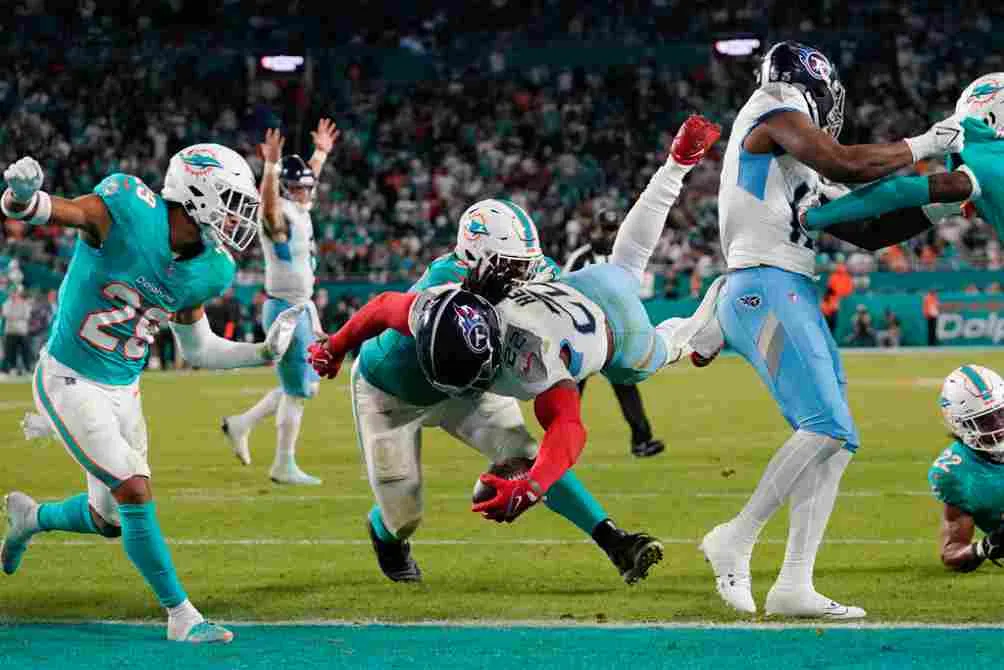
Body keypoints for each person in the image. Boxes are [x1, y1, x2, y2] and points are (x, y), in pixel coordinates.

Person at [307, 116, 723, 579]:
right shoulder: (445, 292)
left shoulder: (530, 286)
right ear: (474, 258)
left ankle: (612, 540)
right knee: (403, 513)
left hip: (474, 383)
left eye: (526, 263)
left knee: (528, 459)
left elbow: (563, 412)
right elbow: (385, 307)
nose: (525, 274)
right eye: (510, 265)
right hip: (392, 394)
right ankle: (385, 535)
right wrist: (336, 346)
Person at [698, 41, 964, 619]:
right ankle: (736, 537)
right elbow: (848, 163)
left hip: (788, 286)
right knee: (825, 426)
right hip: (761, 284)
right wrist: (923, 145)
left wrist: (943, 200)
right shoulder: (774, 103)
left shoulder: (792, 160)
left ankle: (795, 582)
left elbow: (867, 230)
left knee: (836, 443)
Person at [0, 147, 304, 643]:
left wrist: (264, 351)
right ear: (196, 192)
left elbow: (199, 349)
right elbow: (56, 211)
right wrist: (20, 197)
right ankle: (182, 616)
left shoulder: (209, 268)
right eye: (228, 200)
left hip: (126, 387)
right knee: (134, 486)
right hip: (69, 377)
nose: (236, 215)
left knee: (108, 519)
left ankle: (29, 519)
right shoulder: (126, 207)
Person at [221, 120, 338, 485]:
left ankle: (242, 424)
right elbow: (269, 209)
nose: (308, 193)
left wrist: (320, 153)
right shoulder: (278, 212)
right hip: (287, 309)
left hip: (299, 307)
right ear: (288, 189)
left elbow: (307, 183)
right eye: (301, 188)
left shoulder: (298, 206)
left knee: (305, 385)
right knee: (298, 391)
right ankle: (283, 464)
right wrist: (269, 168)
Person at [563, 208, 666, 458]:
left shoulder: (623, 258)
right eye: (606, 230)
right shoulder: (580, 258)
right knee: (572, 392)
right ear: (594, 230)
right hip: (585, 335)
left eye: (613, 230)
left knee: (626, 385)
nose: (610, 235)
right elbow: (563, 291)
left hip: (617, 336)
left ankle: (642, 441)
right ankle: (560, 446)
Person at [928, 365, 1004, 572]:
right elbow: (952, 552)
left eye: (1002, 413)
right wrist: (985, 547)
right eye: (987, 421)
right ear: (961, 425)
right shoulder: (954, 473)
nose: (1000, 426)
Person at [1, 286, 32, 375]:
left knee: (25, 351)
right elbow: (6, 314)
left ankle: (27, 368)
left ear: (19, 293)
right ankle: (12, 368)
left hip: (22, 332)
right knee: (11, 352)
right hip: (10, 331)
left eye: (16, 293)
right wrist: (18, 315)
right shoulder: (7, 303)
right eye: (13, 293)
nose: (14, 295)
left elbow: (27, 315)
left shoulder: (25, 303)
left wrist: (14, 316)